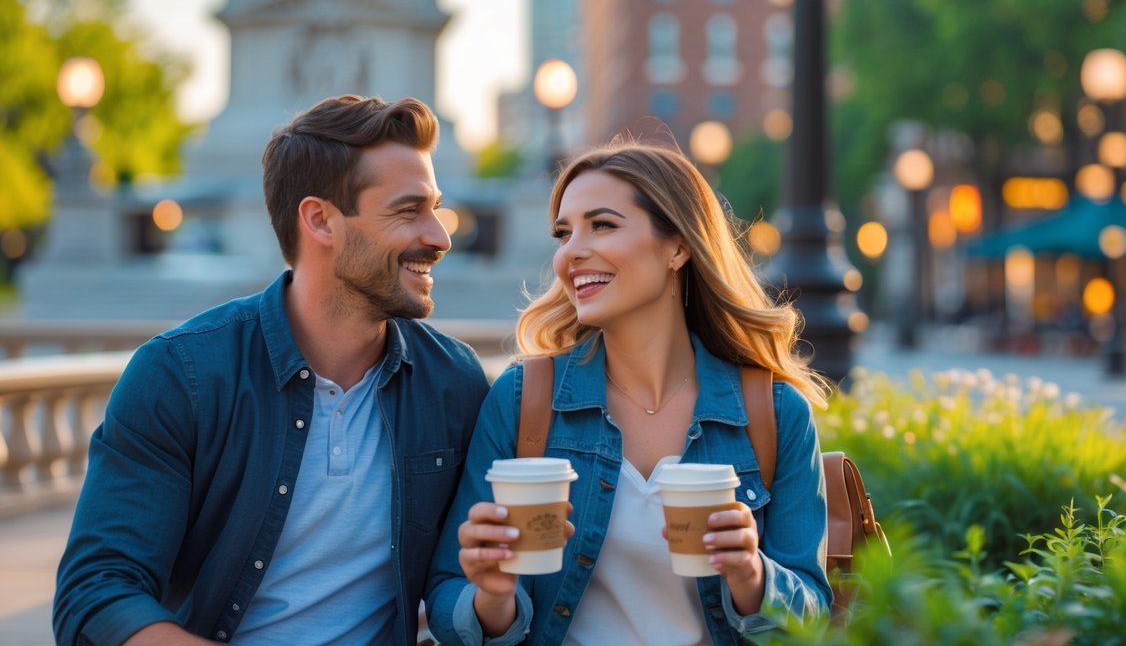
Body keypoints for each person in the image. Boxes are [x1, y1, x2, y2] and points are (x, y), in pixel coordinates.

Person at [54, 95, 489, 645]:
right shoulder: (180, 375)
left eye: (435, 208)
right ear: (320, 220)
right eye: (408, 210)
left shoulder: (453, 383)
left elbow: (458, 587)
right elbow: (96, 593)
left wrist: (487, 595)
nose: (440, 236)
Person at [426, 142, 833, 645]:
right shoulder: (522, 399)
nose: (571, 252)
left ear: (678, 247)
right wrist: (491, 596)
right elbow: (447, 598)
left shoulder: (772, 412)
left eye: (602, 225)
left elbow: (811, 616)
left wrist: (751, 575)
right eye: (563, 232)